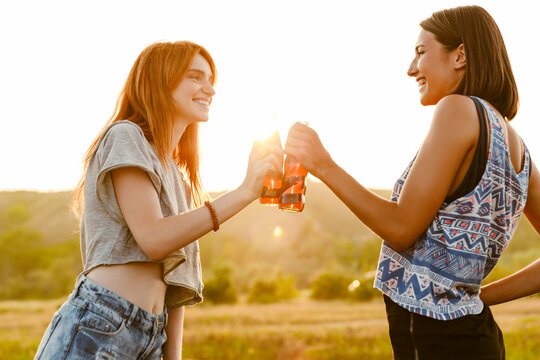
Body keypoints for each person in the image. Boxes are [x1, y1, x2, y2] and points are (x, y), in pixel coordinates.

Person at [283, 5, 539, 359]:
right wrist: (476, 298)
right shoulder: (518, 149)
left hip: (439, 342)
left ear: (460, 56)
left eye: (421, 52)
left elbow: (402, 227)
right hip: (475, 336)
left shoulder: (457, 109)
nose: (411, 68)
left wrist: (324, 165)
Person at [34, 40, 282, 360]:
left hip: (151, 335)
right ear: (160, 82)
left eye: (211, 80)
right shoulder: (125, 136)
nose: (210, 89)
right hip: (101, 322)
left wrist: (171, 355)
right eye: (195, 77)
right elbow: (153, 239)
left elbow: (177, 282)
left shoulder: (177, 176)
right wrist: (246, 191)